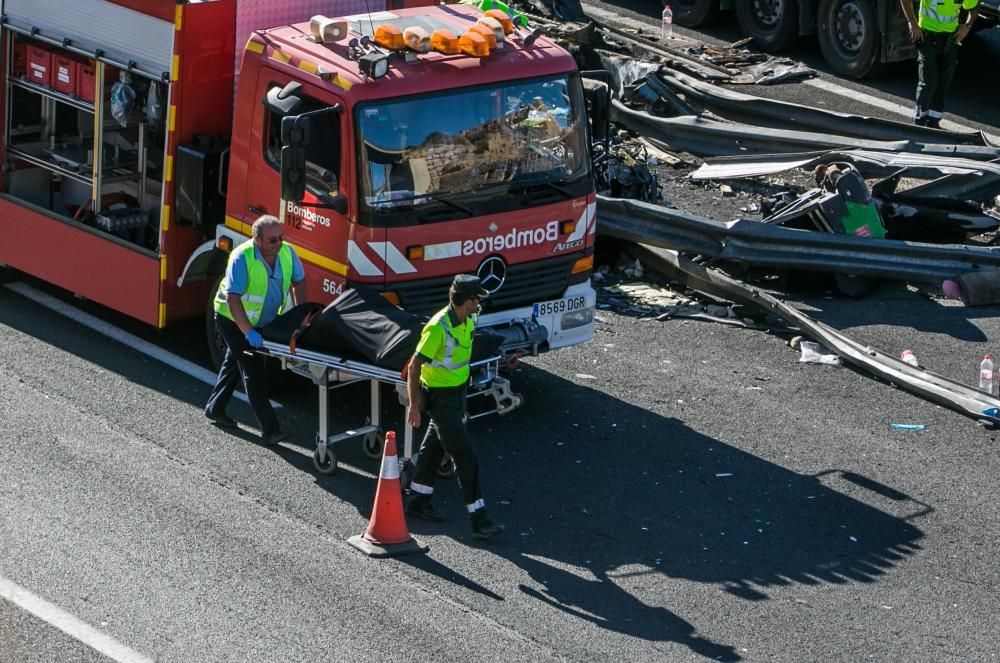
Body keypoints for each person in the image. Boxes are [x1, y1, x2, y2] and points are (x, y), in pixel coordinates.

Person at [405, 274, 504, 541]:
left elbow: (464, 353)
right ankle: (479, 520)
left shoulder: (468, 319)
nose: (480, 303)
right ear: (467, 301)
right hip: (440, 398)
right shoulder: (438, 328)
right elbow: (414, 366)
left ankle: (418, 499)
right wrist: (414, 405)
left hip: (458, 393)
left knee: (433, 448)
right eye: (477, 299)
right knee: (465, 456)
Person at [204, 215, 307, 445]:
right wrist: (248, 332)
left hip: (261, 321)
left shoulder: (288, 253)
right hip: (231, 319)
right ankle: (270, 430)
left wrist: (300, 317)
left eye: (280, 238)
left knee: (234, 363)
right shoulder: (242, 257)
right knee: (253, 372)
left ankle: (215, 408)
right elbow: (233, 299)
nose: (278, 243)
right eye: (272, 240)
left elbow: (298, 282)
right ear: (257, 239)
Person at [900, 0, 978, 128]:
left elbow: (974, 7)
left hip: (950, 39)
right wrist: (913, 24)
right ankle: (919, 121)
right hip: (926, 36)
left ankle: (934, 121)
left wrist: (967, 27)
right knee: (929, 80)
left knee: (944, 80)